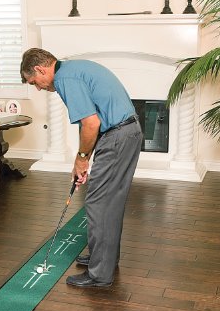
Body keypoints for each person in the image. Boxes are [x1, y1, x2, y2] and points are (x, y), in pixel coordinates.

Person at [20, 48, 143, 287]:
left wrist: (82, 159)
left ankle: (100, 274)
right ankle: (104, 259)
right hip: (123, 133)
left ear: (40, 69)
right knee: (109, 203)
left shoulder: (65, 79)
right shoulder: (73, 69)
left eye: (34, 82)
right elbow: (91, 124)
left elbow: (91, 124)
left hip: (118, 136)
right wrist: (83, 161)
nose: (38, 88)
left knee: (99, 203)